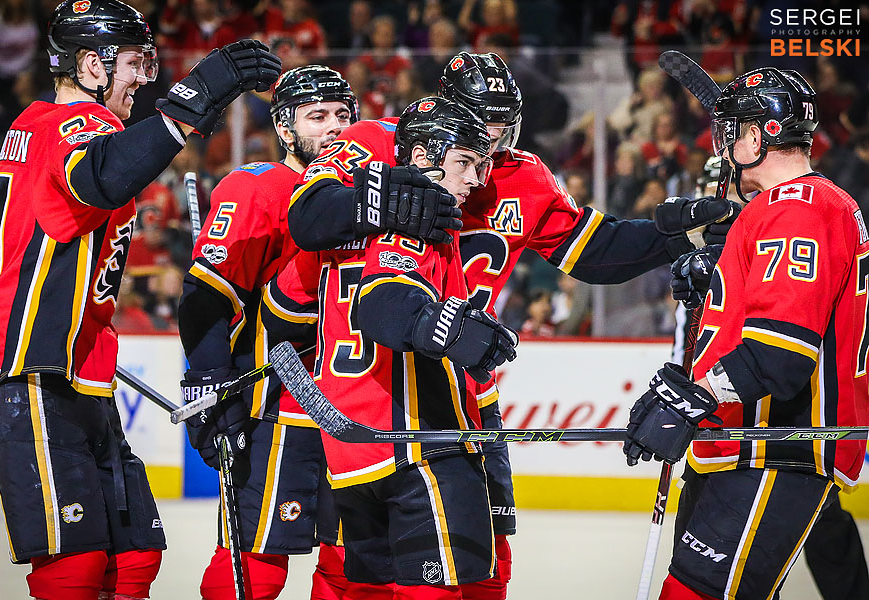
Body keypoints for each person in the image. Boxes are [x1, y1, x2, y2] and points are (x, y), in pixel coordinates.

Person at [285, 50, 739, 600]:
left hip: (466, 389)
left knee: (485, 561)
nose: (492, 146)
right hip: (380, 387)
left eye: (503, 127)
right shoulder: (377, 144)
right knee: (367, 569)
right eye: (481, 129)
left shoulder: (520, 175)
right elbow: (309, 220)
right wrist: (389, 198)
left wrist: (677, 233)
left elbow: (594, 251)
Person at [0, 1, 281, 598]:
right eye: (136, 63)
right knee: (77, 564)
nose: (145, 77)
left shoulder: (62, 127)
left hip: (74, 367)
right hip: (23, 366)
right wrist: (195, 96)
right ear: (91, 64)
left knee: (134, 554)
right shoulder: (66, 125)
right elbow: (102, 177)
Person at [623, 67, 869, 600]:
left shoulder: (800, 212)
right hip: (745, 446)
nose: (727, 143)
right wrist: (714, 281)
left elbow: (778, 354)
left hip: (775, 449)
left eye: (733, 130)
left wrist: (692, 400)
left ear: (759, 136)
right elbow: (758, 318)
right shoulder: (787, 210)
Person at [263, 96, 517, 598]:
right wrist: (447, 327)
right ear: (421, 156)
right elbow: (382, 305)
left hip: (351, 447)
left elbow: (281, 310)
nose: (475, 181)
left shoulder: (340, 234)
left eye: (481, 164)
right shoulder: (418, 222)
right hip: (417, 441)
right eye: (465, 163)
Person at [177, 64, 360, 600]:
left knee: (352, 563)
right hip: (276, 407)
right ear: (285, 128)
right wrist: (210, 380)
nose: (335, 129)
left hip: (354, 406)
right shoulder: (260, 187)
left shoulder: (362, 199)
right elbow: (206, 297)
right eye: (317, 116)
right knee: (256, 561)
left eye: (344, 116)